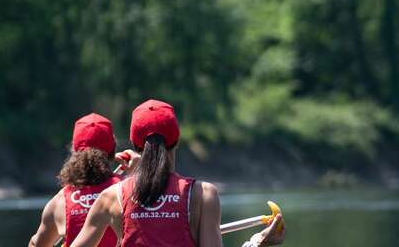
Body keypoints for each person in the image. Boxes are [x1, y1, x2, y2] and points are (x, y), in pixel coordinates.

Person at [69, 99, 286, 247]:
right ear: (177, 141)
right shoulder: (204, 195)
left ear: (136, 145)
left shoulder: (110, 198)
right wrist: (258, 242)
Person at [29, 113, 139, 247]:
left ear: (74, 151)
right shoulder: (129, 191)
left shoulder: (60, 202)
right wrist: (135, 174)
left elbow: (36, 244)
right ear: (112, 151)